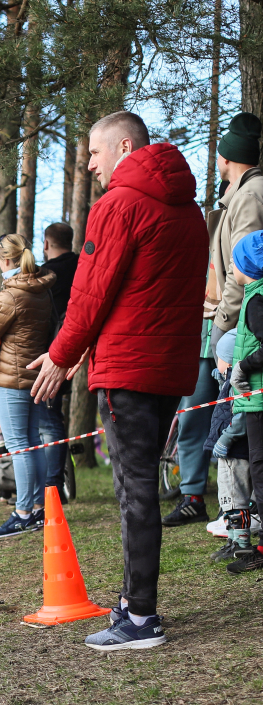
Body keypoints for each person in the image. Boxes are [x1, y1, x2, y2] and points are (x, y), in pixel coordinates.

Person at [30, 110, 207, 651]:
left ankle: (139, 615)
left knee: (133, 489)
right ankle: (137, 603)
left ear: (124, 147)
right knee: (142, 483)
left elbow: (92, 290)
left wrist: (62, 354)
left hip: (129, 367)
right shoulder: (192, 212)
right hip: (169, 365)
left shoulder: (119, 205)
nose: (89, 164)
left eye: (94, 152)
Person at [167, 112, 263, 528]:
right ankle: (196, 495)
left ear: (226, 156)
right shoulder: (233, 197)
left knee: (229, 418)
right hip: (214, 320)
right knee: (196, 409)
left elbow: (246, 269)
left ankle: (239, 513)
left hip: (234, 326)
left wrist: (224, 325)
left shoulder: (251, 196)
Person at [0, 234, 56, 538]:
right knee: (32, 443)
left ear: (5, 260)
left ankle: (22, 512)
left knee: (19, 446)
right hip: (34, 373)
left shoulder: (10, 295)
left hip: (11, 377)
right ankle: (36, 508)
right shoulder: (40, 290)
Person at [228, 231, 263, 573]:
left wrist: (243, 365)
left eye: (234, 261)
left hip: (258, 403)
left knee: (261, 471)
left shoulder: (256, 301)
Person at [205, 330, 254, 567]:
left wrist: (226, 438)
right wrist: (221, 380)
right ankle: (233, 540)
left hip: (235, 450)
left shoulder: (241, 386)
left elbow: (241, 415)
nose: (217, 362)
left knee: (236, 498)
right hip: (227, 453)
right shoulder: (229, 382)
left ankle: (242, 544)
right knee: (227, 499)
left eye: (220, 357)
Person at [39, 222, 79, 500]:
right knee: (53, 415)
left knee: (49, 419)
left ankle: (53, 487)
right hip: (73, 349)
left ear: (46, 244)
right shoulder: (82, 266)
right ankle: (54, 483)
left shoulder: (48, 275)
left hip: (50, 353)